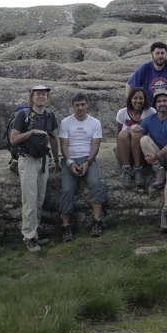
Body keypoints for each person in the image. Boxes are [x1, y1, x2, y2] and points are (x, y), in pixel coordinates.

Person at [9, 84, 60, 252]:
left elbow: (53, 139)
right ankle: (28, 238)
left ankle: (35, 235)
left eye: (44, 94)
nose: (41, 97)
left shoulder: (50, 115)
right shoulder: (22, 115)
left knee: (39, 199)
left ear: (48, 98)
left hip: (43, 160)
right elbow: (13, 139)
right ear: (32, 97)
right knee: (29, 201)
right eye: (38, 94)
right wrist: (31, 132)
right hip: (28, 160)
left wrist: (57, 160)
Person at [59, 93, 107, 242]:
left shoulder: (95, 122)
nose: (80, 108)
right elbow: (64, 145)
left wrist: (87, 162)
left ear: (87, 105)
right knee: (67, 190)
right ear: (73, 106)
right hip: (70, 160)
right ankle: (66, 226)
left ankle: (97, 221)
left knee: (96, 184)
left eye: (82, 104)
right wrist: (70, 163)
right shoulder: (66, 122)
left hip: (88, 159)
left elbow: (96, 145)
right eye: (77, 105)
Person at [139, 89, 167, 233]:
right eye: (159, 101)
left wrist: (156, 156)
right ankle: (159, 169)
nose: (162, 103)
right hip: (158, 155)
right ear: (155, 104)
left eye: (165, 100)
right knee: (143, 139)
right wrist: (133, 129)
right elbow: (139, 135)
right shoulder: (149, 120)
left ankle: (165, 212)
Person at [116, 87, 156, 190]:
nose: (138, 101)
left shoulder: (150, 112)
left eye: (141, 98)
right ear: (130, 99)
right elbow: (118, 134)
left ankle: (138, 169)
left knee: (136, 133)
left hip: (142, 152)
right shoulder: (122, 113)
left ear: (145, 99)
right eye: (135, 98)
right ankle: (126, 169)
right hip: (126, 152)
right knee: (123, 134)